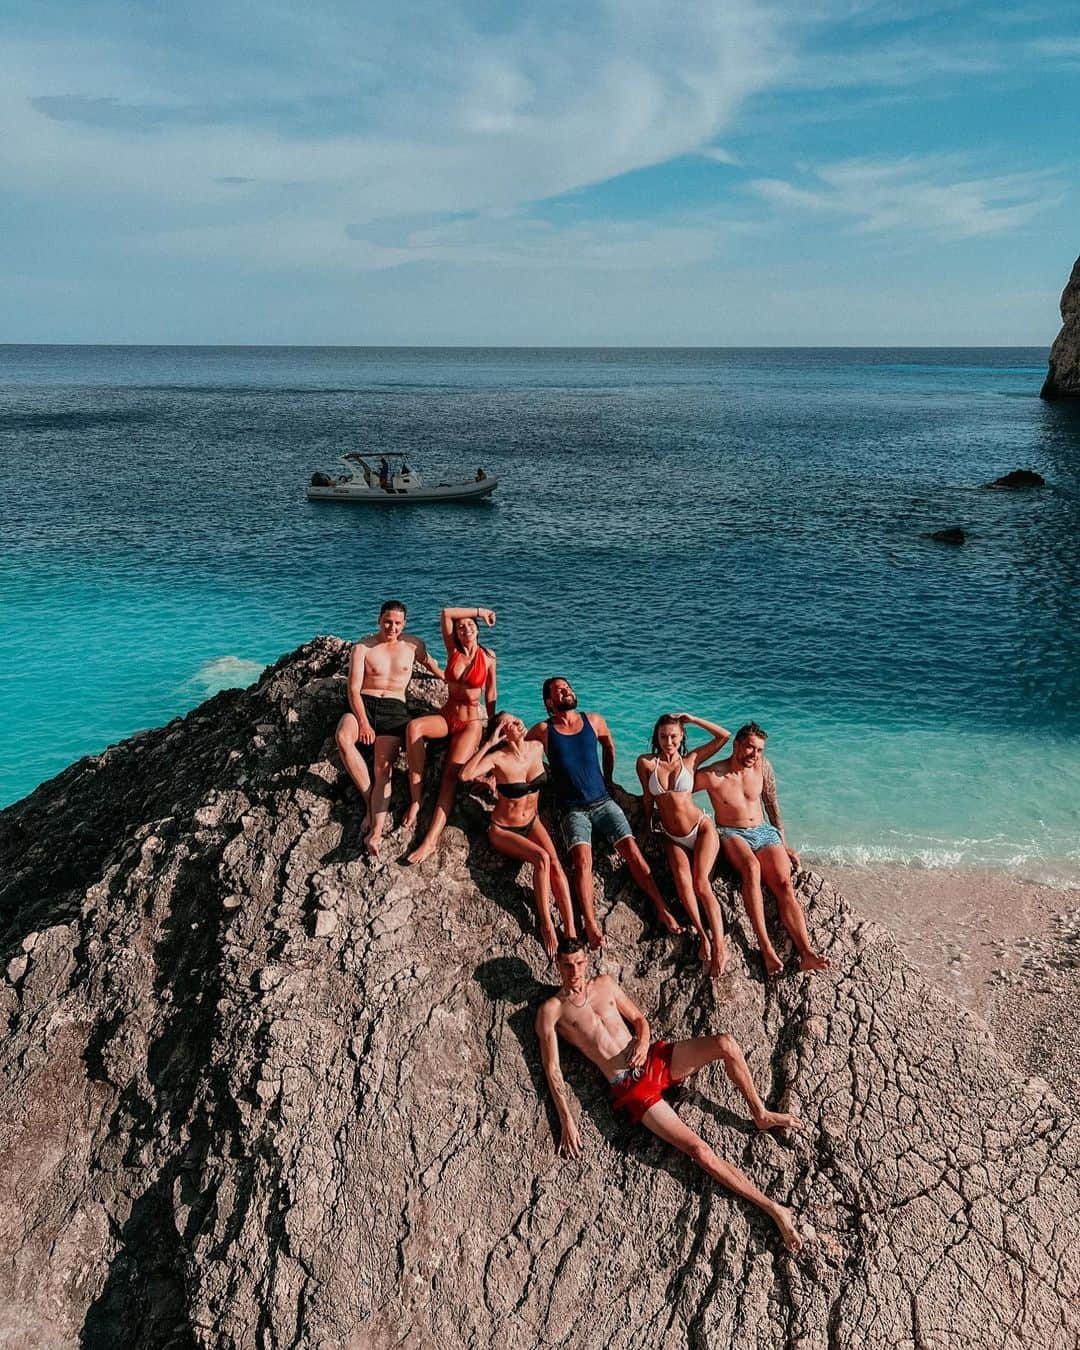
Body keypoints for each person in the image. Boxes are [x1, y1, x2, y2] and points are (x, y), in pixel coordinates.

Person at [535, 937, 805, 1253]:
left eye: (580, 963)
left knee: (725, 1043)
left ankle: (760, 1113)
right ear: (557, 965)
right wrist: (567, 1119)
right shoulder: (551, 1011)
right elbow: (552, 1069)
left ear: (587, 960)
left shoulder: (605, 984)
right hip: (632, 1087)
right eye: (567, 965)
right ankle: (775, 1210)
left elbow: (639, 1021)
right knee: (699, 1151)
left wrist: (642, 1041)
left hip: (653, 1059)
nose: (575, 971)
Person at [527, 678, 681, 950]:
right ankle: (590, 922)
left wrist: (608, 779)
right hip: (572, 810)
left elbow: (609, 745)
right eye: (560, 690)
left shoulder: (593, 720)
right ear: (550, 702)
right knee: (583, 862)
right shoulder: (543, 730)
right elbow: (521, 754)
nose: (567, 691)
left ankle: (661, 907)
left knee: (632, 851)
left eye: (568, 687)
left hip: (604, 802)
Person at [695, 722, 829, 976]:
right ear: (736, 745)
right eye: (749, 748)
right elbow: (678, 793)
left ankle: (806, 953)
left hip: (764, 832)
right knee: (752, 868)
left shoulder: (762, 767)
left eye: (759, 750)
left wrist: (783, 840)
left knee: (784, 883)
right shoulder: (713, 775)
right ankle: (766, 948)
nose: (754, 755)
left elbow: (771, 802)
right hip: (731, 833)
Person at [460, 713, 576, 958]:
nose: (519, 722)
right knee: (542, 859)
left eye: (518, 719)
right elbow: (465, 775)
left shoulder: (536, 747)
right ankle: (546, 923)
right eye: (510, 723)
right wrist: (490, 743)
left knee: (556, 864)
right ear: (502, 732)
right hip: (503, 829)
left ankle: (572, 932)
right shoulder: (498, 758)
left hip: (532, 822)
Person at [335, 600, 443, 856]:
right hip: (365, 703)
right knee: (343, 737)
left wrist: (447, 678)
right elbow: (353, 689)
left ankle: (376, 833)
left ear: (404, 624)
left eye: (397, 623)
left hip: (394, 711)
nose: (391, 627)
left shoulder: (413, 645)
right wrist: (362, 722)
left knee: (382, 770)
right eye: (387, 621)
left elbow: (431, 664)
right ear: (379, 619)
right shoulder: (363, 647)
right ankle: (369, 801)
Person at [636, 713, 732, 977]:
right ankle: (703, 936)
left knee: (701, 884)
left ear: (682, 737)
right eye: (663, 736)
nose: (668, 741)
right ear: (656, 737)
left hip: (701, 829)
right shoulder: (645, 763)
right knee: (682, 884)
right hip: (671, 836)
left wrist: (692, 718)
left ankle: (720, 947)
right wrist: (646, 828)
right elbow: (647, 798)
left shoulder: (691, 760)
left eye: (674, 736)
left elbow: (724, 736)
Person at [404, 605, 498, 865]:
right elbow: (446, 613)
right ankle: (416, 797)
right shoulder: (452, 650)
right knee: (414, 728)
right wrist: (480, 611)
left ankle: (430, 841)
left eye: (470, 625)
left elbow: (490, 693)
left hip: (471, 724)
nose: (465, 627)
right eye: (461, 626)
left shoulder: (488, 657)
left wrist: (490, 725)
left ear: (477, 630)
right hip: (447, 716)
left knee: (449, 777)